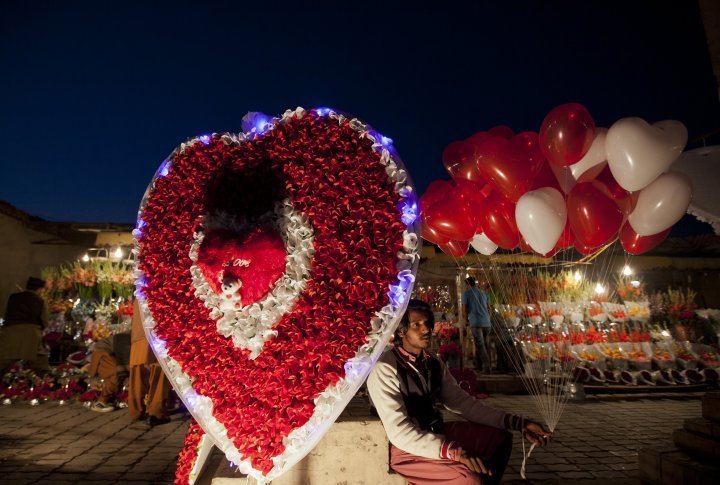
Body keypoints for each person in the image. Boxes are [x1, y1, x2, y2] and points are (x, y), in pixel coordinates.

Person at [367, 299, 551, 485]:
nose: (426, 329)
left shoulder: (433, 363)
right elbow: (399, 432)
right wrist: (455, 451)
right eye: (416, 325)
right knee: (468, 478)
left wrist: (519, 423)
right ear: (401, 330)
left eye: (428, 323)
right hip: (407, 450)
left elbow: (464, 404)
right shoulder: (385, 368)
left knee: (500, 439)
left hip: (437, 434)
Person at [128, 299, 171, 426]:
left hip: (140, 327)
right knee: (160, 369)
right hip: (157, 321)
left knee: (138, 369)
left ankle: (135, 410)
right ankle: (155, 412)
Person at [0, 277, 49, 374]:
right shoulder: (40, 301)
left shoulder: (12, 297)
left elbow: (3, 314)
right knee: (40, 365)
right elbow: (44, 321)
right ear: (39, 289)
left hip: (9, 333)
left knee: (4, 364)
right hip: (31, 335)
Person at [461, 277, 491, 373]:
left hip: (476, 322)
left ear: (468, 284)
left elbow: (464, 309)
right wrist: (487, 318)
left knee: (481, 345)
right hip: (486, 323)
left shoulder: (466, 294)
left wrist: (465, 320)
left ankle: (487, 367)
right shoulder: (484, 293)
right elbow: (489, 308)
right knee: (483, 345)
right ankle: (479, 365)